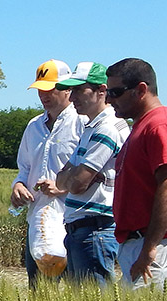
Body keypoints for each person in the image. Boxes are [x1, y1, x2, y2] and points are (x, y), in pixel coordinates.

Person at [106, 58, 167, 301]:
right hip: (144, 242)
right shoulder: (142, 125)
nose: (109, 100)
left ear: (141, 90)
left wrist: (149, 248)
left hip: (160, 244)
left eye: (115, 92)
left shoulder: (161, 124)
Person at [52, 63, 130, 287]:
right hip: (82, 229)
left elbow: (76, 184)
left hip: (95, 230)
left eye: (79, 90)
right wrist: (73, 176)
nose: (72, 97)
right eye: (71, 90)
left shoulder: (107, 128)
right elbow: (60, 179)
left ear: (101, 90)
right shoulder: (91, 128)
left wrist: (74, 176)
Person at [11, 59, 84, 286]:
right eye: (40, 89)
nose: (43, 95)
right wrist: (18, 186)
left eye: (50, 89)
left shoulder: (82, 123)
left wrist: (61, 187)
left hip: (72, 221)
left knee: (79, 293)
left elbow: (94, 171)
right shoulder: (33, 126)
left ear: (67, 89)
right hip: (39, 223)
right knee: (39, 294)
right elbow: (24, 168)